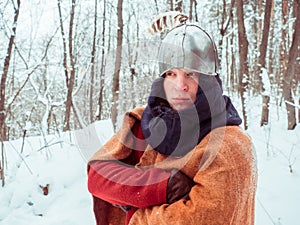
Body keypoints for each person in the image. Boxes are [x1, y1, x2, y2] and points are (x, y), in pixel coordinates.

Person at [87, 22, 257, 225]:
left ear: (208, 80)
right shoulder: (145, 122)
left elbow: (202, 219)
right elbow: (98, 175)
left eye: (190, 74)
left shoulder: (231, 145)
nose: (180, 86)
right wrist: (162, 186)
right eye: (171, 74)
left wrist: (135, 214)